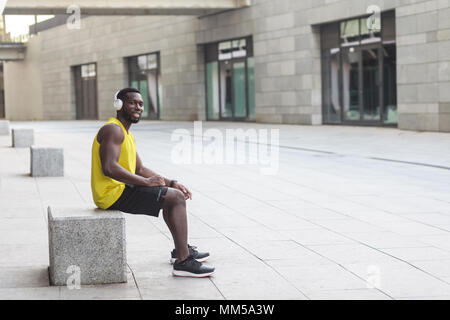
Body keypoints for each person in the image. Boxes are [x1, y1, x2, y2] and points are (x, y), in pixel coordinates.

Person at [91, 88, 215, 278]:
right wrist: (147, 183)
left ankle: (181, 252)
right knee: (176, 198)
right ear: (119, 105)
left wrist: (171, 182)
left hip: (119, 189)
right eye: (132, 102)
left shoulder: (124, 133)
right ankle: (183, 261)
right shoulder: (113, 130)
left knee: (172, 194)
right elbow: (109, 168)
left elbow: (139, 169)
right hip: (111, 194)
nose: (138, 107)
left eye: (140, 104)